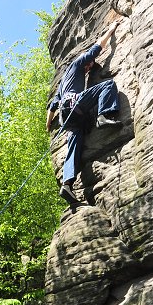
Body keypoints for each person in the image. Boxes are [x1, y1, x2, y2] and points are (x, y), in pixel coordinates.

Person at [46, 19, 121, 205]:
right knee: (108, 85)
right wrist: (111, 30)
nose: (89, 67)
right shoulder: (77, 64)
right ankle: (103, 116)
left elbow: (52, 107)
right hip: (74, 105)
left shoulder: (62, 85)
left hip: (67, 119)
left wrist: (48, 125)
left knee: (74, 145)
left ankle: (68, 184)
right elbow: (97, 47)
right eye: (90, 65)